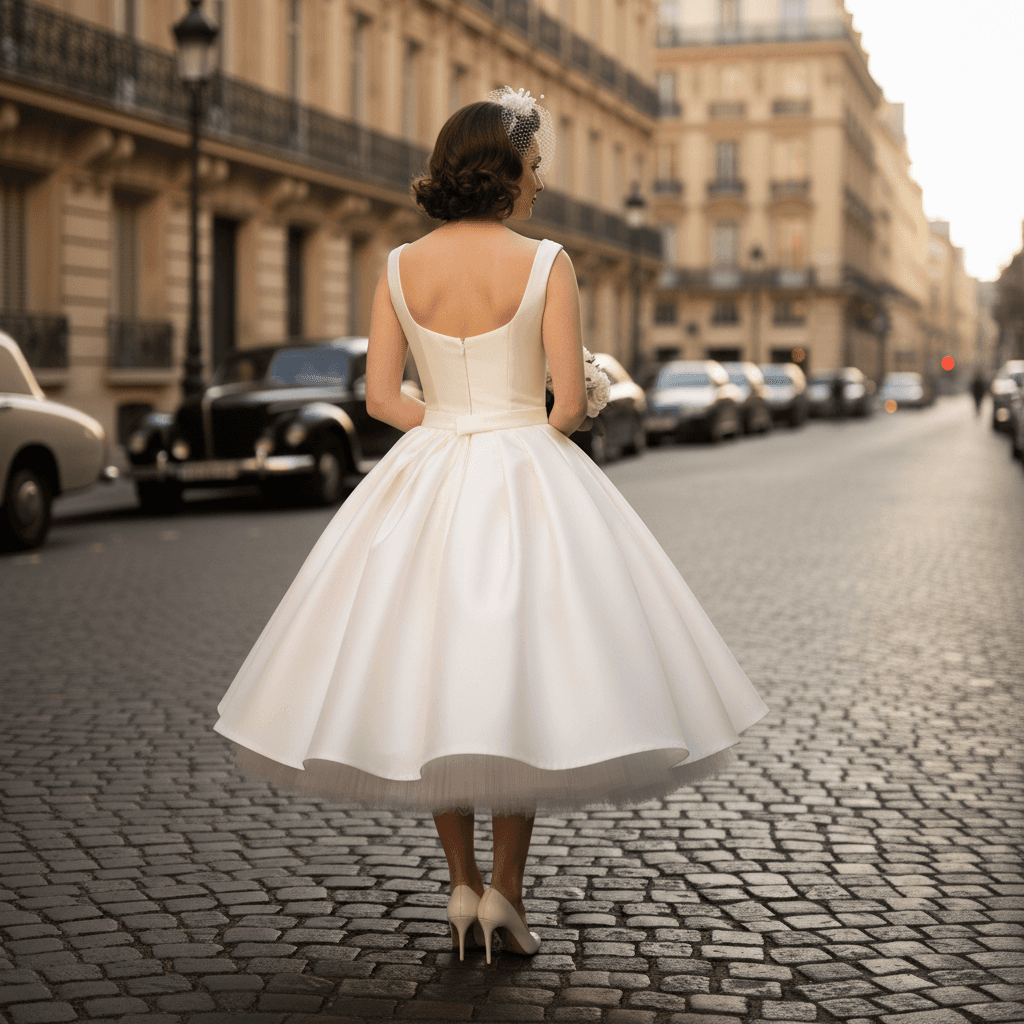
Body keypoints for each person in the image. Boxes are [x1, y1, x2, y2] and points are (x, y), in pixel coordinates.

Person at [213, 88, 769, 966]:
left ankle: (462, 885)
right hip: (524, 474)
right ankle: (506, 892)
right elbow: (564, 405)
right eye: (535, 165)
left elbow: (380, 397)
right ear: (505, 169)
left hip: (429, 472)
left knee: (433, 673)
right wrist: (536, 418)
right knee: (521, 677)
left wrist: (449, 426)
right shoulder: (548, 263)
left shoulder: (399, 266)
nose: (541, 181)